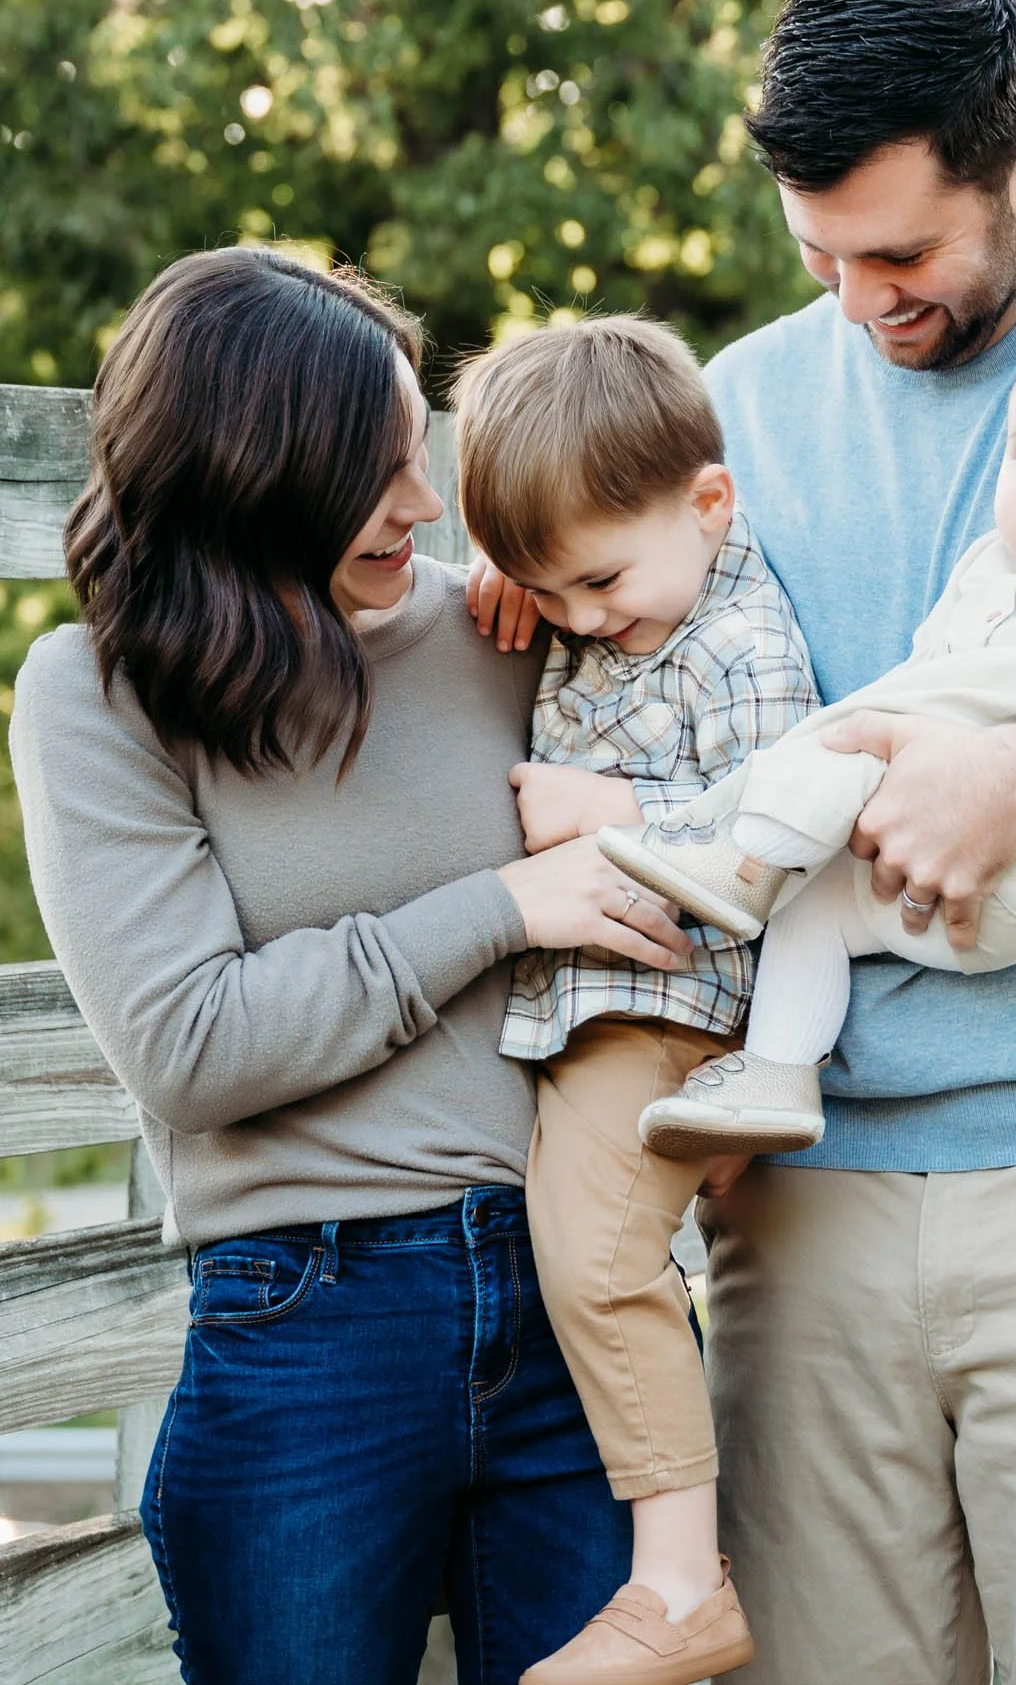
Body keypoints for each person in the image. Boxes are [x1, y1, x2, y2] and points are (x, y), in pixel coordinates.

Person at [470, 0, 1016, 1684]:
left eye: (902, 254)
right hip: (805, 1208)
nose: (860, 306)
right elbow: (651, 635)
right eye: (818, 257)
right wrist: (524, 587)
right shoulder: (750, 397)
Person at [8, 248, 699, 1685]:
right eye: (378, 468)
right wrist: (502, 906)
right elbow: (195, 1049)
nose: (428, 503)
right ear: (250, 471)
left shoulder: (509, 621)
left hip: (575, 1297)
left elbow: (733, 713)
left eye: (419, 452)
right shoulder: (98, 695)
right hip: (305, 1326)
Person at [600, 322, 1016, 1156]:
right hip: (935, 886)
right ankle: (775, 1072)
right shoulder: (993, 566)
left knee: (853, 742)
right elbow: (930, 666)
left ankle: (744, 858)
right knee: (814, 914)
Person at [450, 316, 819, 1685]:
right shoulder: (624, 578)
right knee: (591, 1253)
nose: (580, 621)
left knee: (599, 1258)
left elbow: (785, 837)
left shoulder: (736, 647)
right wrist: (516, 570)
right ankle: (662, 1572)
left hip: (661, 995)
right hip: (588, 999)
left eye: (595, 583)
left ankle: (678, 1588)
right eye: (549, 595)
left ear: (710, 502)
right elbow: (567, 567)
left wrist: (613, 811)